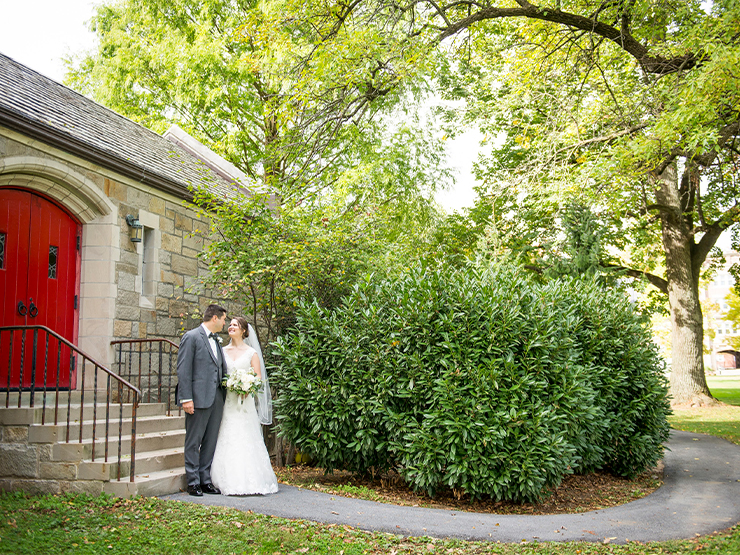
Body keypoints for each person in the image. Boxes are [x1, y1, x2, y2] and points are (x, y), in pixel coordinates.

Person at [210, 316, 278, 495]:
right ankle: (223, 478)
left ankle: (250, 480)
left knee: (245, 436)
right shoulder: (222, 351)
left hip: (244, 403)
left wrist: (247, 386)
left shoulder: (251, 353)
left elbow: (258, 378)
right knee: (227, 434)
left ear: (244, 331)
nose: (231, 327)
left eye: (235, 325)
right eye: (230, 324)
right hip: (228, 401)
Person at [176, 304, 228, 497]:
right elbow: (183, 369)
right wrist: (186, 398)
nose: (224, 323)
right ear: (214, 318)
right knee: (193, 440)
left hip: (216, 397)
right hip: (197, 399)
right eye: (223, 319)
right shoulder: (191, 337)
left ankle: (205, 480)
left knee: (210, 440)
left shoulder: (217, 341)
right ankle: (193, 481)